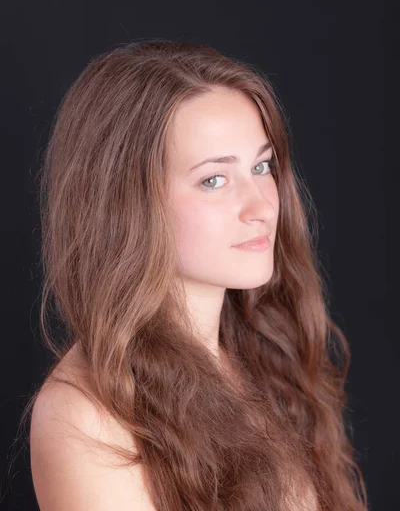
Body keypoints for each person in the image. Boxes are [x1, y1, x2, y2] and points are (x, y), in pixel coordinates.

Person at [22, 39, 367, 509]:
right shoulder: (86, 415)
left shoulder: (266, 354)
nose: (262, 206)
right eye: (214, 179)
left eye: (261, 166)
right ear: (127, 205)